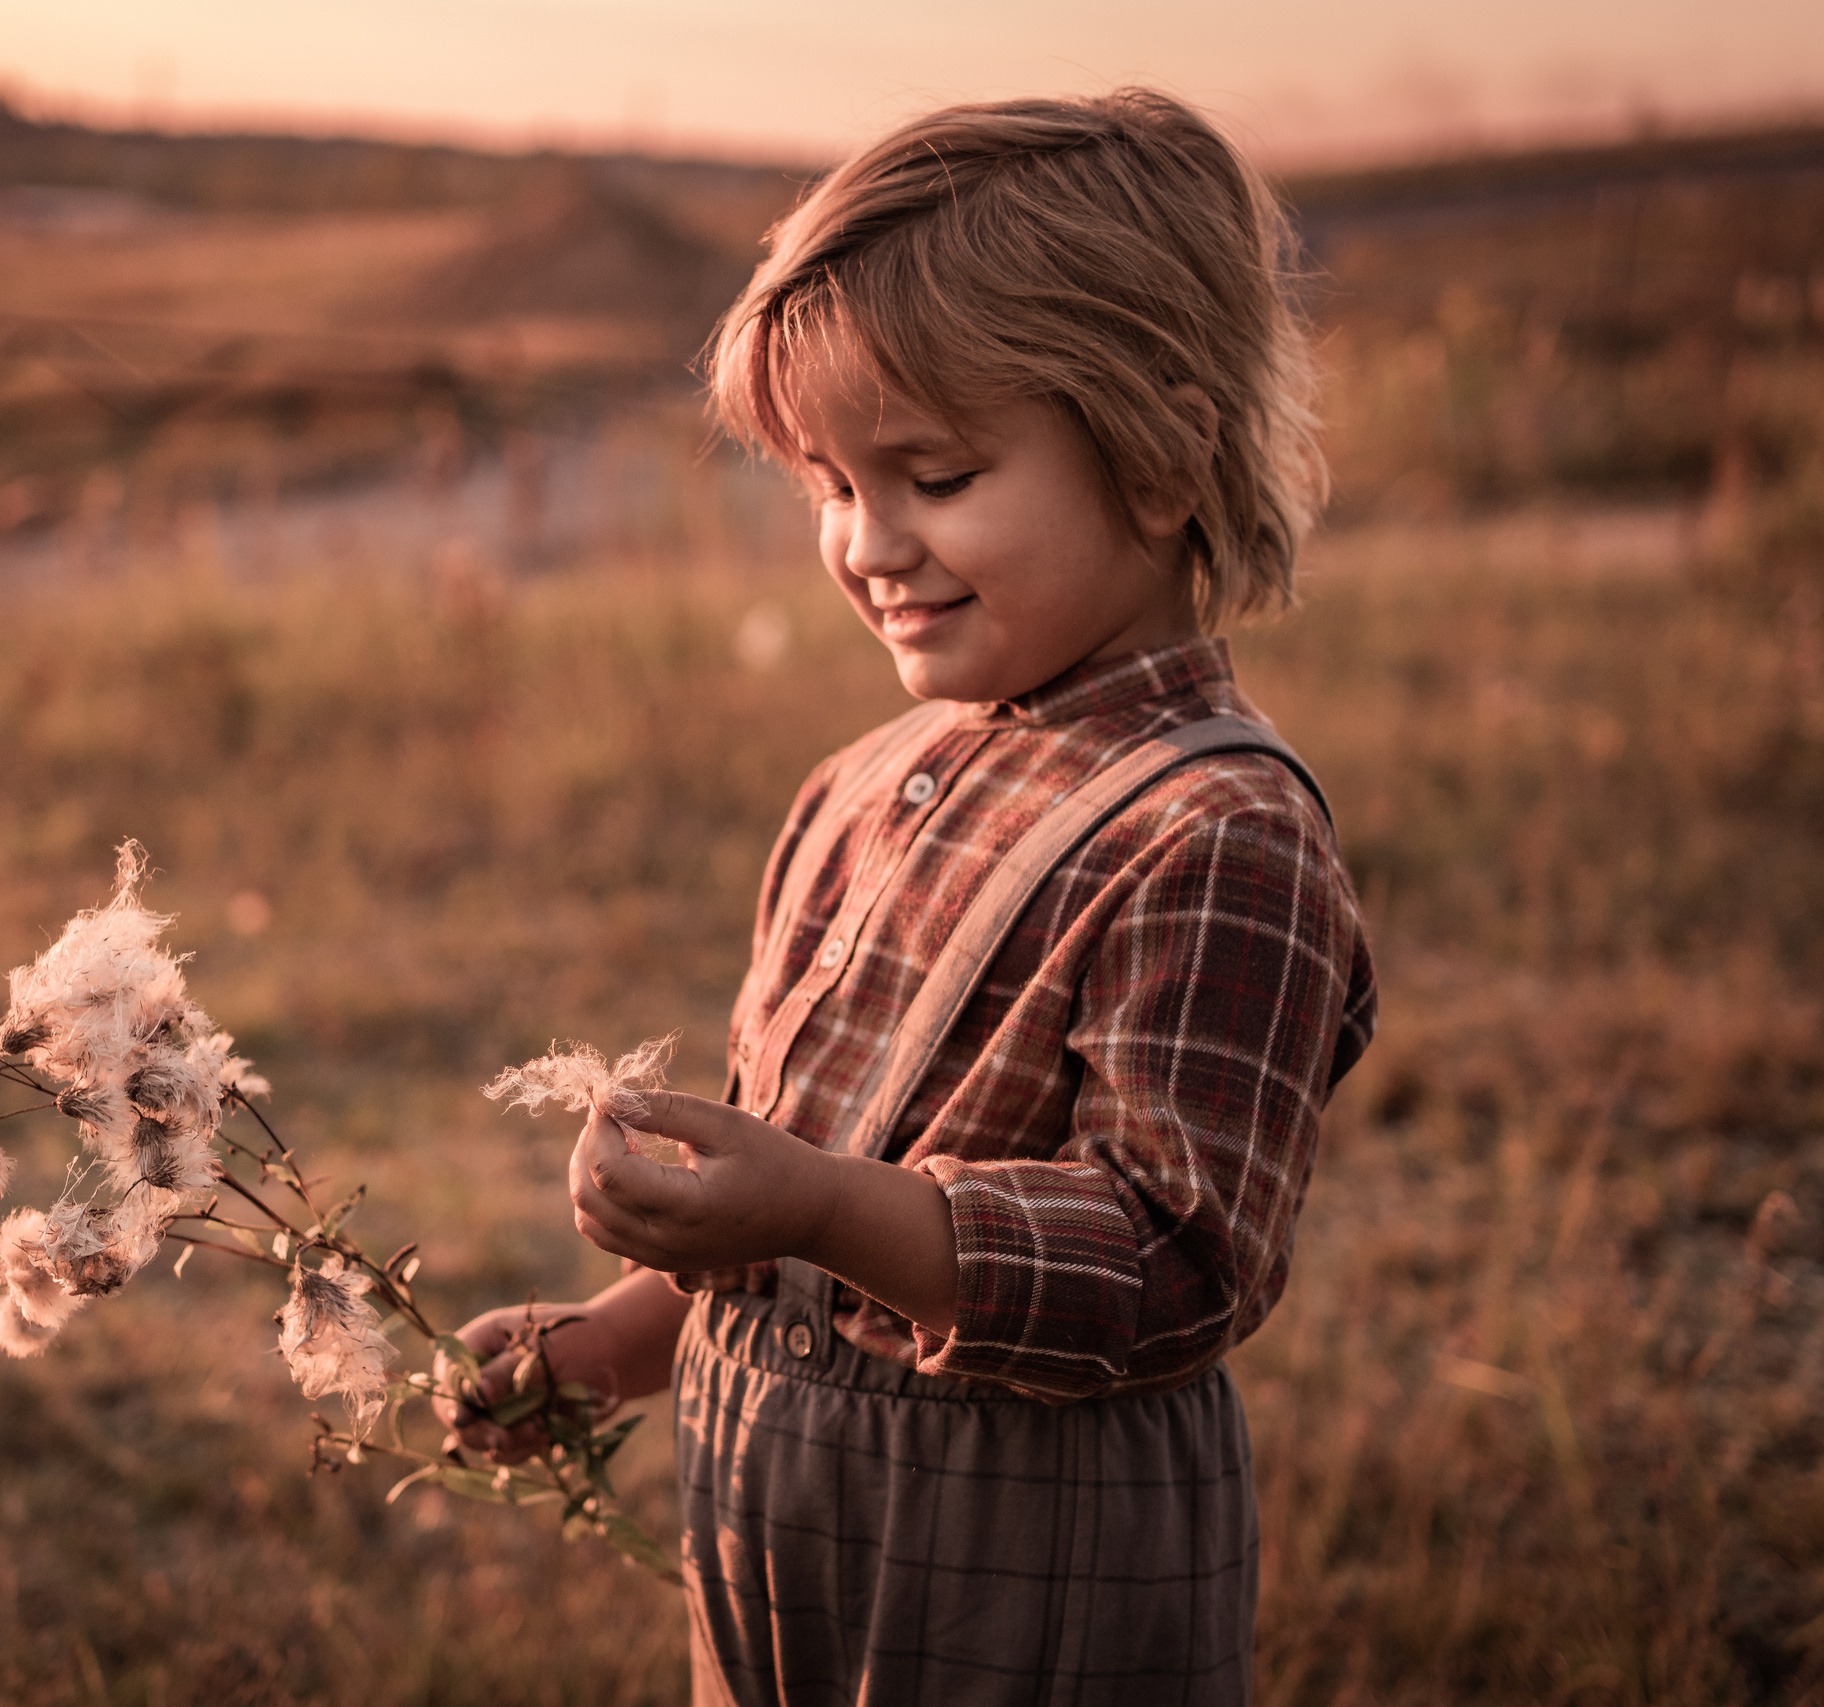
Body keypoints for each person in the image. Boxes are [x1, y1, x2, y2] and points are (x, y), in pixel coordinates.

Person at [441, 88, 1377, 1706]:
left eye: (934, 475)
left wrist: (814, 1203)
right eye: (825, 484)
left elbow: (1174, 1264)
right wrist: (619, 1335)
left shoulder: (1217, 835)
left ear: (1161, 456)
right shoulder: (857, 788)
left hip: (1035, 1580)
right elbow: (796, 1214)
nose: (869, 543)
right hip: (781, 1532)